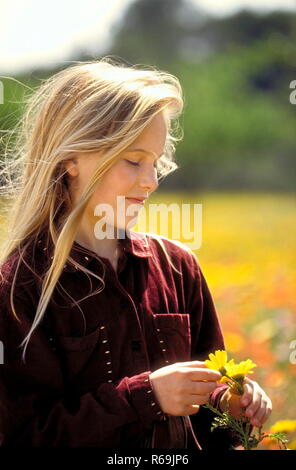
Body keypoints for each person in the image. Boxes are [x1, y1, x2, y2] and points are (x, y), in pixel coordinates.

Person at [0, 57, 272, 448]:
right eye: (133, 161)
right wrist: (147, 397)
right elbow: (22, 437)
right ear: (70, 159)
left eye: (156, 162)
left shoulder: (179, 267)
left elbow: (211, 418)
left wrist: (230, 403)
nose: (151, 181)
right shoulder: (18, 288)